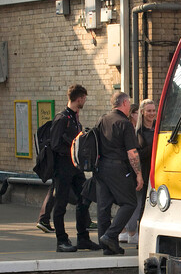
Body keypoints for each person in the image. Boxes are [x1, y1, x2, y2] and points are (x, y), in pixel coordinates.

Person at [50, 84, 101, 253]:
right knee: (61, 204)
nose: (84, 101)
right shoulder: (62, 118)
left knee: (84, 198)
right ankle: (61, 240)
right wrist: (73, 152)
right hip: (63, 168)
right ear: (79, 99)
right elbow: (55, 144)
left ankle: (83, 238)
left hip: (75, 168)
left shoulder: (74, 118)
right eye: (84, 98)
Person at [96, 91, 143, 255]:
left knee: (104, 206)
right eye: (129, 103)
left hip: (101, 168)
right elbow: (132, 152)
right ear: (124, 103)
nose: (130, 106)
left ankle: (108, 246)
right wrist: (138, 174)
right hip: (118, 168)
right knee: (130, 203)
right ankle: (110, 235)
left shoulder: (103, 119)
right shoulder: (124, 123)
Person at [119, 98, 157, 245]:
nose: (151, 114)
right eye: (149, 111)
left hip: (157, 173)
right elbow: (137, 154)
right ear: (142, 112)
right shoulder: (137, 132)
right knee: (139, 204)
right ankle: (133, 232)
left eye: (153, 110)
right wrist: (154, 146)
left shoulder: (159, 129)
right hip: (143, 173)